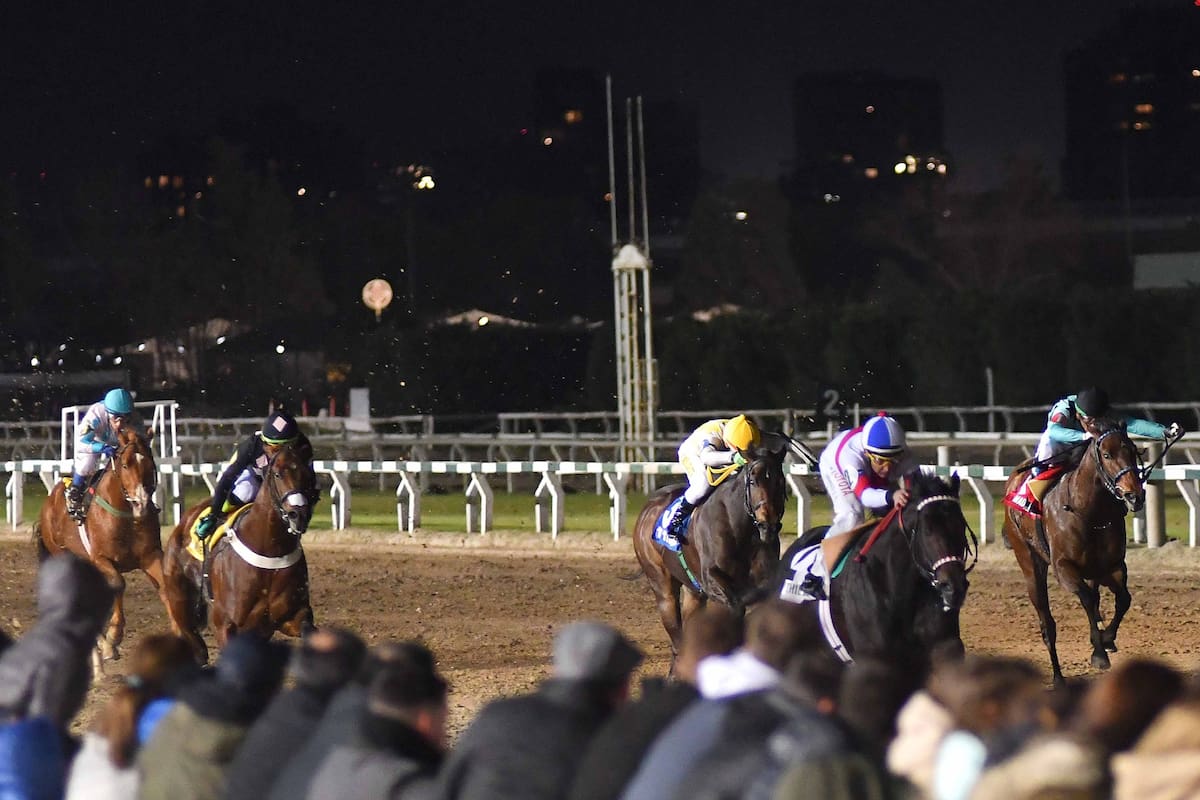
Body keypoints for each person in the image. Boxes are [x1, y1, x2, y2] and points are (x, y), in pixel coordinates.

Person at [439, 620, 644, 800]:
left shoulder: (497, 716)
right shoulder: (619, 739)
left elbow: (448, 784)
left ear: (557, 667)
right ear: (623, 687)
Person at [1005, 387, 1180, 517]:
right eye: (1091, 420)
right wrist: (1083, 435)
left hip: (1088, 445)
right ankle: (1031, 493)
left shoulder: (1102, 410)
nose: (1095, 424)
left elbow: (1132, 423)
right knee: (1048, 450)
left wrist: (1164, 431)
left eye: (1099, 420)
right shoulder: (1064, 408)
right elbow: (1054, 431)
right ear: (1080, 415)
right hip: (1059, 445)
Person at [306, 643, 450, 800]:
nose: (445, 733)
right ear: (425, 720)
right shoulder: (416, 785)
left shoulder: (333, 762)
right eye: (443, 723)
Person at [197, 408, 315, 538]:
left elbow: (310, 481)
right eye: (275, 448)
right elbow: (228, 477)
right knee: (246, 492)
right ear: (265, 442)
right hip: (255, 476)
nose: (281, 454)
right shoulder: (252, 446)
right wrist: (214, 513)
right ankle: (220, 519)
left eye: (287, 448)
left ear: (295, 442)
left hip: (284, 479)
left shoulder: (303, 446)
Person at [818, 412, 917, 540]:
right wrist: (891, 495)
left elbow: (917, 490)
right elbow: (864, 496)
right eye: (880, 461)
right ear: (867, 453)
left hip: (866, 464)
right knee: (852, 517)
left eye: (893, 460)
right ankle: (823, 556)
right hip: (835, 464)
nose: (887, 468)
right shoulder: (850, 456)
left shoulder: (905, 454)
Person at [665, 414, 762, 543]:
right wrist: (733, 458)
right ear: (729, 442)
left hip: (720, 452)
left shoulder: (747, 433)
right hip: (694, 453)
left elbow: (777, 441)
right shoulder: (712, 436)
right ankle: (676, 520)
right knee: (702, 485)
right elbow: (706, 457)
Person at [66, 387, 134, 520]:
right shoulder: (95, 415)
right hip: (95, 440)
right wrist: (101, 447)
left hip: (118, 441)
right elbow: (81, 443)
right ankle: (75, 493)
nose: (120, 424)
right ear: (108, 413)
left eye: (125, 418)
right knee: (87, 465)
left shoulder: (133, 417)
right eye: (116, 418)